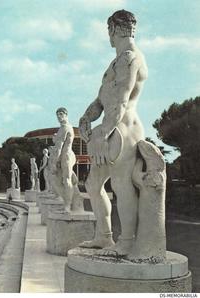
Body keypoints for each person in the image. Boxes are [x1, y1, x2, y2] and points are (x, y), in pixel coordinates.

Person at [78, 10, 148, 256]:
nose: (108, 36)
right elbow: (102, 99)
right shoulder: (116, 61)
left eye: (109, 30)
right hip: (110, 129)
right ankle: (104, 236)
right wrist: (87, 117)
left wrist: (100, 134)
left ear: (116, 29)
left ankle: (127, 241)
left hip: (124, 131)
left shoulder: (131, 58)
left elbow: (120, 101)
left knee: (121, 185)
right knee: (93, 183)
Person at [52, 107, 76, 212]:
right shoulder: (64, 128)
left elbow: (59, 148)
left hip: (66, 156)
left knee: (65, 180)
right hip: (66, 156)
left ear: (66, 115)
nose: (59, 116)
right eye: (57, 115)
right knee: (59, 181)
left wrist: (54, 162)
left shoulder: (65, 128)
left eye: (61, 114)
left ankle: (68, 205)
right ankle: (68, 202)